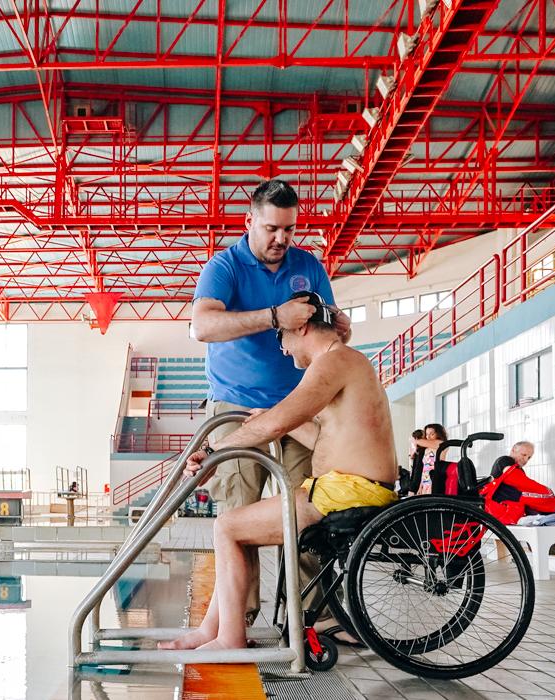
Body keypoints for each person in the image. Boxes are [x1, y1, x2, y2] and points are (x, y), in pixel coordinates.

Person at [164, 292, 395, 651]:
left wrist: (212, 451)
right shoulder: (348, 362)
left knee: (227, 526)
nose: (283, 351)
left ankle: (230, 637)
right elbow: (320, 434)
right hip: (349, 487)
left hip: (346, 491)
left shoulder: (333, 361)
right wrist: (278, 422)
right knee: (230, 527)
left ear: (300, 326)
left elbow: (275, 423)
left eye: (281, 338)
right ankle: (215, 630)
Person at [188, 178, 350, 622]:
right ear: (249, 222)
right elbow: (202, 327)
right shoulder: (225, 267)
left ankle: (311, 620)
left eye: (289, 229)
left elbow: (330, 326)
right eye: (271, 228)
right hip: (237, 405)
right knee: (240, 515)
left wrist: (339, 324)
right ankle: (240, 616)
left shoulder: (307, 266)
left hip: (300, 407)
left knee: (309, 513)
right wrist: (274, 317)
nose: (281, 238)